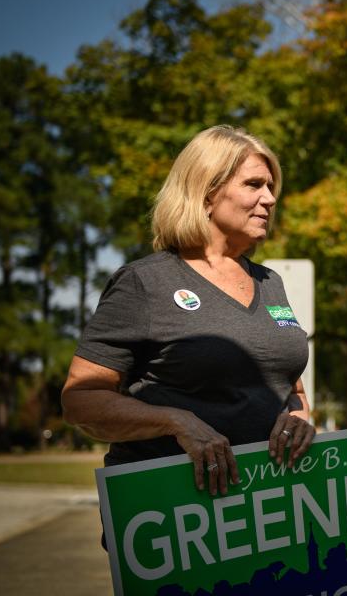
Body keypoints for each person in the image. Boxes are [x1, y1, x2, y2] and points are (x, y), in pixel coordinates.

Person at [62, 125, 315, 500]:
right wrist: (176, 422)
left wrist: (299, 417)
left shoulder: (271, 282)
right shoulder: (145, 282)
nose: (270, 198)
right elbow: (80, 400)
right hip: (173, 512)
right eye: (254, 185)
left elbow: (289, 387)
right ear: (207, 192)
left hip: (265, 506)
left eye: (271, 187)